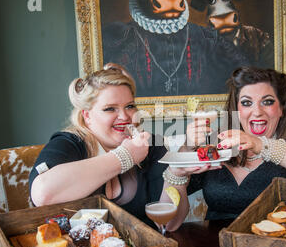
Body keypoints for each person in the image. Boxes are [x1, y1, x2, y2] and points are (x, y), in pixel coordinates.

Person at [168, 67, 286, 220]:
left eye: (267, 102)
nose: (257, 111)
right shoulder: (216, 145)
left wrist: (260, 144)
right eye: (246, 103)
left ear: (281, 108)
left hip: (276, 246)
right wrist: (184, 155)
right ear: (236, 110)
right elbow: (170, 222)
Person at [29, 63, 188, 231]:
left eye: (130, 106)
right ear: (87, 116)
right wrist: (125, 157)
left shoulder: (150, 146)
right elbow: (43, 194)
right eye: (110, 109)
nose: (124, 116)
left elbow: (168, 225)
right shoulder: (70, 143)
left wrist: (176, 174)